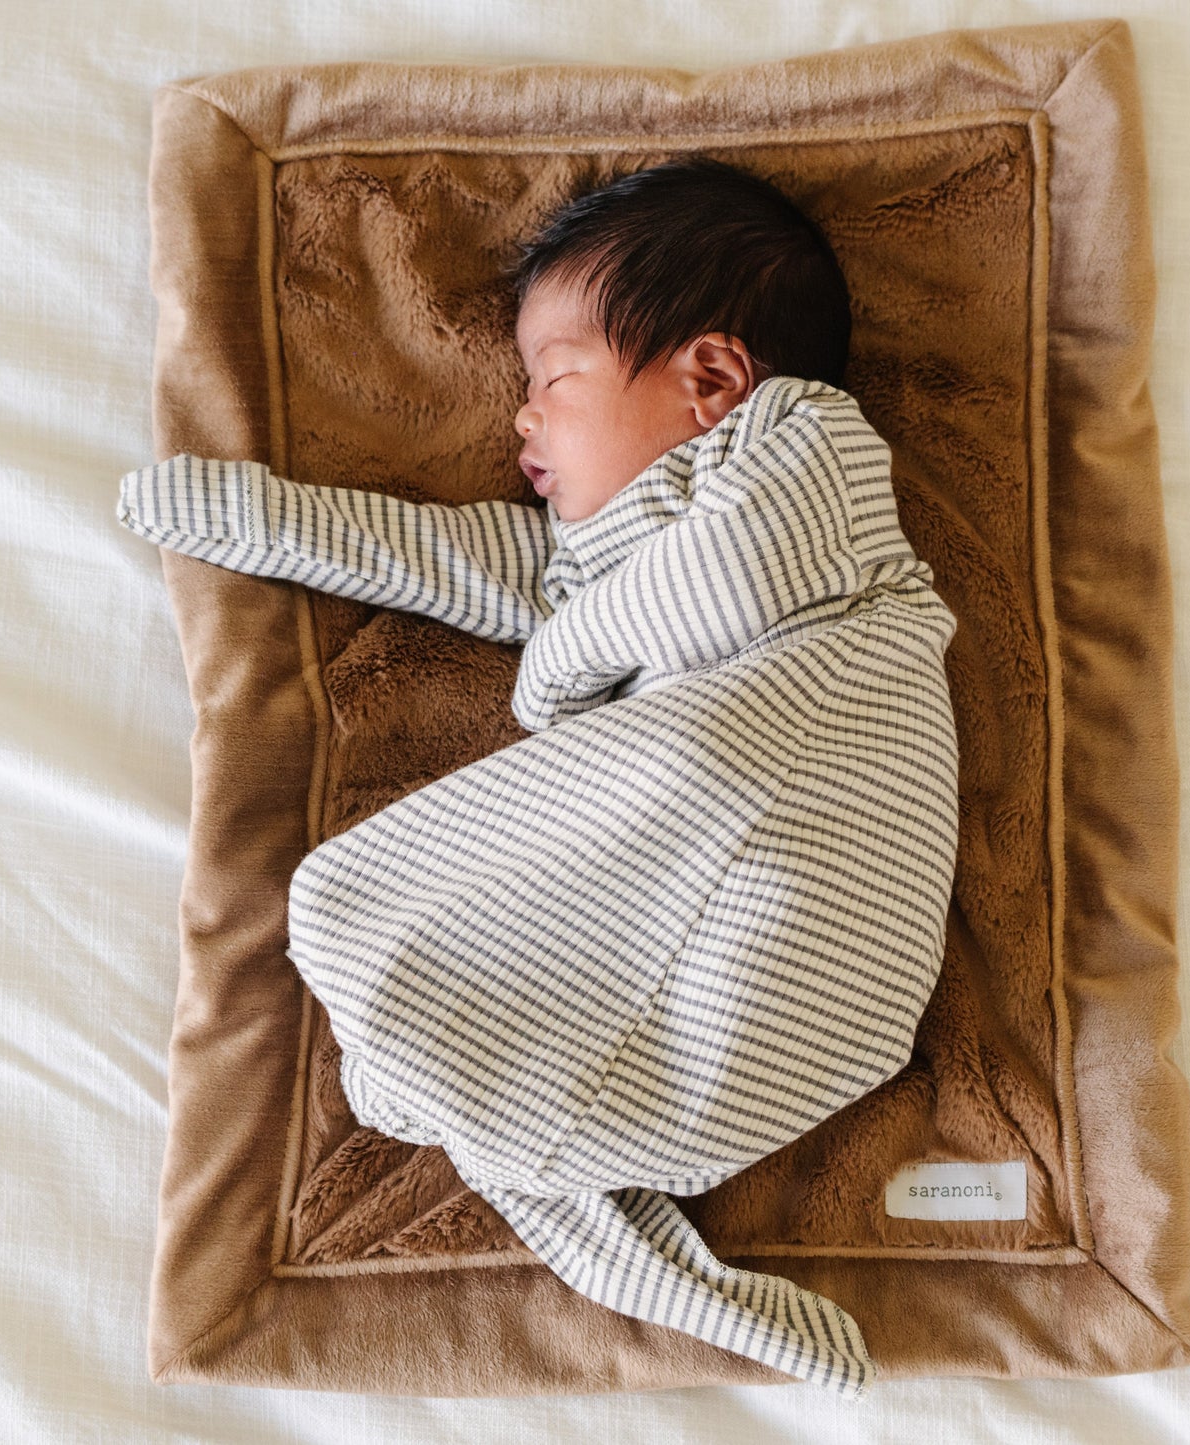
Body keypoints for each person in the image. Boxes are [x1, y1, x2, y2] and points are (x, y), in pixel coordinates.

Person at [117, 158, 960, 1399]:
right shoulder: (596, 563)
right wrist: (244, 513)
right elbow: (444, 559)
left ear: (711, 379)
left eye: (553, 379)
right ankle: (649, 1261)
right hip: (748, 991)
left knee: (395, 883)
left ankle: (535, 1127)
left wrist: (568, 661)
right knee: (520, 1064)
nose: (522, 419)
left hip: (806, 801)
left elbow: (701, 601)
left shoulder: (803, 453)